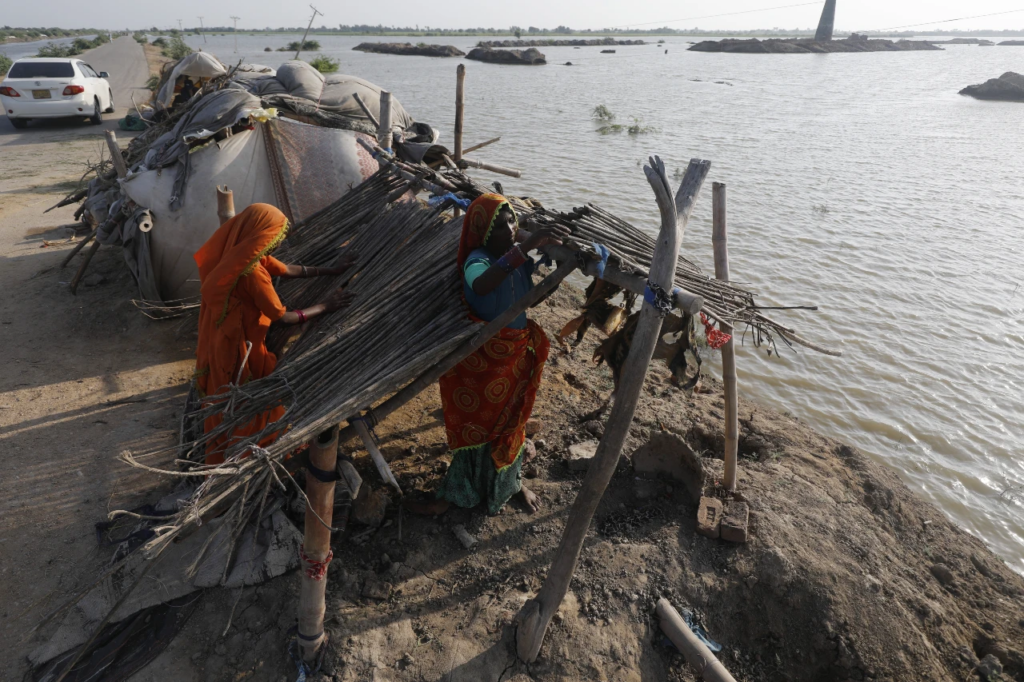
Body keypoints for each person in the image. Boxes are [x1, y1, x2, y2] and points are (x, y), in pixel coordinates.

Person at [431, 193, 570, 514]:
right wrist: (524, 248)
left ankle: (510, 486)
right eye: (500, 224)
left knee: (512, 423)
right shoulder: (476, 259)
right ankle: (457, 494)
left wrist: (558, 274)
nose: (510, 227)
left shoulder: (515, 261)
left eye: (512, 220)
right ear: (482, 231)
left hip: (515, 353)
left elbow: (527, 301)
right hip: (480, 360)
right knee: (477, 427)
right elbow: (480, 286)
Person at [193, 203, 356, 465]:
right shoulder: (252, 273)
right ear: (261, 236)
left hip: (226, 338)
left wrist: (331, 269)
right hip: (242, 349)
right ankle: (244, 456)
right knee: (247, 406)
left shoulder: (240, 254)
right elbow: (283, 318)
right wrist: (326, 306)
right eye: (275, 237)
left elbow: (287, 269)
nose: (278, 243)